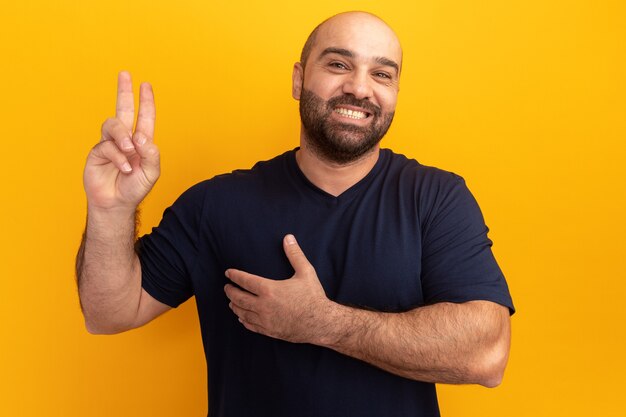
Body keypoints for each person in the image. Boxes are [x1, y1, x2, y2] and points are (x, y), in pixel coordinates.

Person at [76, 11, 514, 417]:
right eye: (339, 65)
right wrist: (111, 210)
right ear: (299, 78)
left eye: (381, 73)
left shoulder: (436, 198)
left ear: (396, 92)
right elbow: (108, 312)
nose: (360, 88)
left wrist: (324, 325)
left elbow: (487, 355)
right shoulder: (216, 204)